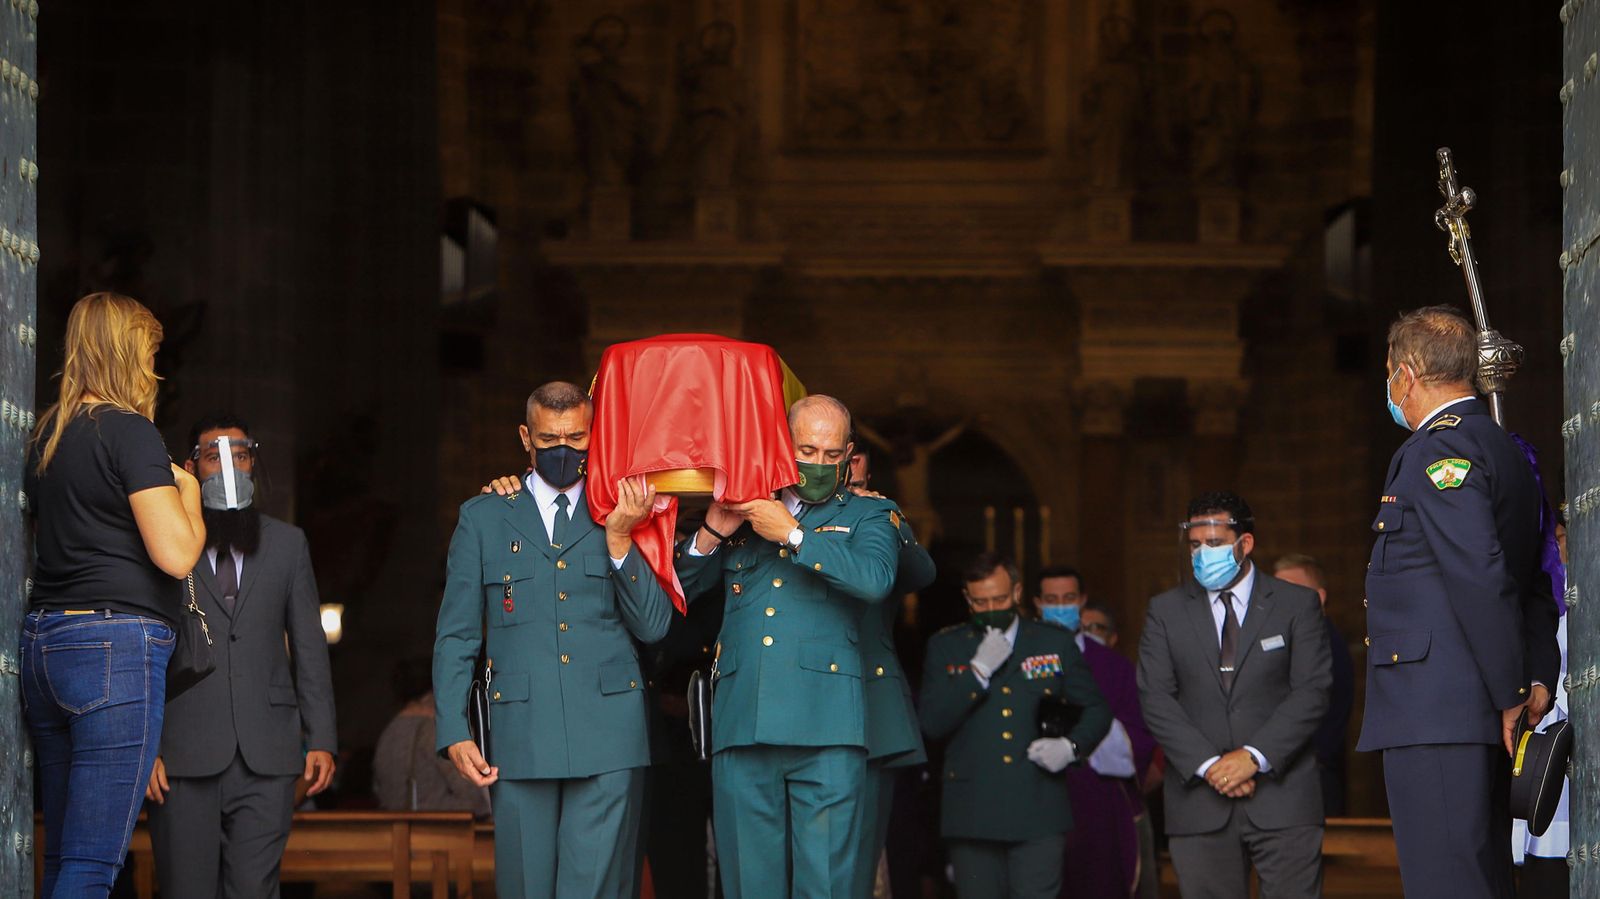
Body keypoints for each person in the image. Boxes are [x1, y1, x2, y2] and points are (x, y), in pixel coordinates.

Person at [433, 381, 673, 898]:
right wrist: (454, 727)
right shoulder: (483, 516)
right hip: (521, 735)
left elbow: (654, 626)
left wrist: (620, 538)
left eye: (576, 438)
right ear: (526, 437)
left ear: (594, 435)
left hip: (610, 735)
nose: (562, 449)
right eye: (548, 439)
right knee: (526, 886)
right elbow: (456, 633)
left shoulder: (625, 506)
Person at [1360, 306, 1559, 899]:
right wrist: (1533, 676)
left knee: (1446, 882)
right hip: (1474, 708)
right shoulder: (1505, 447)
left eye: (1390, 373)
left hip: (1440, 709)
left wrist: (1510, 693)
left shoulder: (1437, 451)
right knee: (1479, 879)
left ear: (1406, 374)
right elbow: (1535, 580)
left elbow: (1482, 575)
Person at [676, 395, 900, 898]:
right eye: (807, 451)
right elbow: (676, 594)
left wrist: (794, 535)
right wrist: (710, 532)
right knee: (749, 884)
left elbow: (875, 580)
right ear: (781, 446)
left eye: (832, 454)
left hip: (828, 728)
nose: (818, 463)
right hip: (744, 722)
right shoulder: (743, 505)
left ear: (849, 457)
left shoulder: (869, 514)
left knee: (826, 886)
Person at [22, 292, 206, 897]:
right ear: (128, 355)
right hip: (114, 647)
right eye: (149, 354)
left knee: (61, 857)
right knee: (93, 864)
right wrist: (191, 496)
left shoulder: (47, 435)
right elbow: (177, 554)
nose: (155, 370)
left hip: (46, 643)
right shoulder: (130, 431)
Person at [142, 412, 337, 897]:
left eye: (242, 456)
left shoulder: (288, 544)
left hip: (267, 755)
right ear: (191, 468)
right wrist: (145, 747)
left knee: (255, 889)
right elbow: (143, 645)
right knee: (186, 889)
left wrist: (322, 738)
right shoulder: (163, 545)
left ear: (254, 464)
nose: (231, 469)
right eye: (215, 457)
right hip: (182, 755)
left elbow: (309, 645)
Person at [1137, 491, 1331, 899]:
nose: (1202, 554)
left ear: (1245, 543)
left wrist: (1253, 757)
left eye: (1214, 543)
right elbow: (1156, 698)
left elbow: (1312, 691)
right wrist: (1212, 766)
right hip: (1198, 804)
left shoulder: (1296, 604)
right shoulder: (1165, 611)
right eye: (1195, 545)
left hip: (1285, 800)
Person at [921, 553, 1111, 899]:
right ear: (967, 599)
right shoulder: (946, 646)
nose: (991, 608)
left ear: (1017, 592)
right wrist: (976, 673)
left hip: (1038, 805)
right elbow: (932, 723)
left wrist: (1070, 747)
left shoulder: (1052, 642)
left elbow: (1097, 710)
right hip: (972, 811)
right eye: (980, 602)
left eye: (999, 599)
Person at [1033, 566, 1158, 899]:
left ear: (1082, 601)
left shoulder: (1113, 666)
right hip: (1034, 802)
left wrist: (1078, 733)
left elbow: (1139, 738)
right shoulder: (1020, 657)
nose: (1061, 606)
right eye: (1052, 599)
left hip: (1097, 803)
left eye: (1069, 598)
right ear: (1037, 603)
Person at [847, 446, 937, 899]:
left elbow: (921, 573)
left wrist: (889, 515)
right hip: (801, 705)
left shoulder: (880, 521)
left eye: (855, 479)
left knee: (863, 857)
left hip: (871, 706)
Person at [1271, 553, 1355, 817]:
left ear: (1319, 597)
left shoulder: (1323, 646)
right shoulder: (1293, 641)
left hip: (1309, 784)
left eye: (1291, 591)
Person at [373, 659, 489, 816]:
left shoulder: (388, 732)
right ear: (434, 692)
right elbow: (473, 797)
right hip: (439, 826)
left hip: (395, 826)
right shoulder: (433, 731)